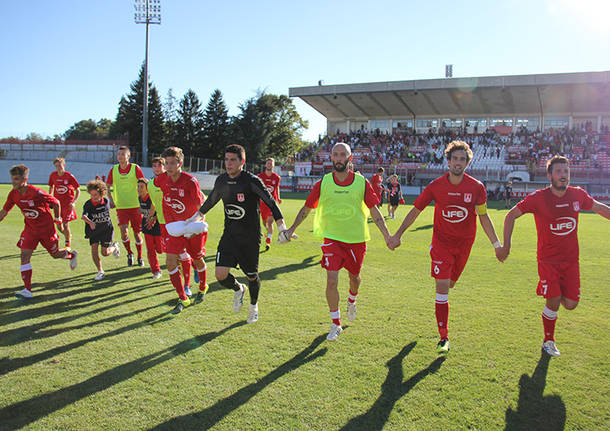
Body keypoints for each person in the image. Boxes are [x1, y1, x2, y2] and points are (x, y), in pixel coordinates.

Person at [388, 141, 503, 353]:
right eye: (454, 159)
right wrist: (397, 235)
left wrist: (497, 244)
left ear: (467, 163)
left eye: (462, 159)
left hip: (465, 245)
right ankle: (443, 337)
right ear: (448, 161)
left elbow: (484, 216)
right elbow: (415, 211)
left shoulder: (477, 188)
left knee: (449, 284)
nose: (458, 163)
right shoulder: (435, 186)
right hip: (441, 244)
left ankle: (443, 318)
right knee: (442, 288)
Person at [497, 156, 610, 357]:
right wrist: (507, 244)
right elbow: (510, 215)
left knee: (571, 304)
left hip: (571, 262)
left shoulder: (577, 195)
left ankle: (549, 295)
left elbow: (599, 208)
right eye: (558, 172)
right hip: (548, 260)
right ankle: (548, 340)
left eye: (566, 172)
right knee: (554, 300)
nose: (563, 175)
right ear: (550, 175)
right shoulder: (539, 198)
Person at [283, 143, 393, 341]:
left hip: (356, 240)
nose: (339, 158)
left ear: (350, 159)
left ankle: (352, 299)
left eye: (343, 155)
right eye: (336, 154)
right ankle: (336, 323)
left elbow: (375, 211)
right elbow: (307, 208)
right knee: (332, 280)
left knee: (355, 278)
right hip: (331, 238)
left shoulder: (361, 183)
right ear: (331, 158)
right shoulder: (324, 182)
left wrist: (387, 235)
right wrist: (291, 230)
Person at [188, 144, 286, 324]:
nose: (228, 163)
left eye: (233, 160)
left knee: (251, 275)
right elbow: (211, 200)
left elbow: (271, 202)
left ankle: (253, 306)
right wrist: (195, 217)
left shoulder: (251, 181)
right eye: (226, 159)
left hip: (250, 238)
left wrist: (282, 227)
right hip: (230, 235)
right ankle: (238, 289)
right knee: (220, 275)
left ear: (242, 162)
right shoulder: (221, 180)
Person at [0, 164, 78, 298]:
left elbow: (56, 202)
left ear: (25, 179)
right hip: (30, 230)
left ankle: (71, 255)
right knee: (24, 256)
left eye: (16, 179)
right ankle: (27, 290)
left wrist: (58, 218)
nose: (13, 182)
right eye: (12, 179)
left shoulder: (36, 192)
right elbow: (4, 211)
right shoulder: (13, 194)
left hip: (46, 230)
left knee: (54, 254)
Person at [154, 146, 209, 314]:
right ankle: (183, 298)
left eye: (173, 163)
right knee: (170, 261)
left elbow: (201, 208)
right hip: (174, 228)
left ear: (180, 163)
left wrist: (195, 225)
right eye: (167, 163)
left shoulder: (190, 182)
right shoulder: (162, 179)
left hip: (192, 228)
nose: (169, 167)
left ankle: (203, 286)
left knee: (196, 259)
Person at [148, 157, 195, 289]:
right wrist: (152, 217)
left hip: (178, 221)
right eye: (154, 166)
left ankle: (187, 285)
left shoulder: (173, 180)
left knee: (183, 253)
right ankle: (186, 278)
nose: (157, 168)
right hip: (163, 224)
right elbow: (154, 203)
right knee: (173, 256)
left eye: (160, 165)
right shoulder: (150, 184)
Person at [106, 146, 145, 267]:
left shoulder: (135, 168)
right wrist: (111, 200)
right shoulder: (114, 169)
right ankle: (129, 253)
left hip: (136, 206)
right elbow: (107, 186)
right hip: (121, 207)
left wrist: (144, 200)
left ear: (128, 156)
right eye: (118, 154)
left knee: (137, 234)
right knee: (123, 232)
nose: (120, 156)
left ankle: (139, 256)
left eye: (123, 154)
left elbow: (143, 184)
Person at [82, 180, 120, 280]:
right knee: (94, 251)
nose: (93, 197)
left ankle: (115, 247)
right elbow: (83, 217)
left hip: (106, 230)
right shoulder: (88, 204)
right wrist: (90, 223)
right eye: (91, 194)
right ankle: (100, 271)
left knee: (105, 253)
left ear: (101, 193)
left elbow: (112, 206)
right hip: (93, 231)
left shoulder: (106, 201)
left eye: (95, 194)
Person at [48, 157, 80, 249]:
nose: (58, 168)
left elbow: (78, 190)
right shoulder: (53, 175)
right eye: (56, 166)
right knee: (59, 226)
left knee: (65, 225)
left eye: (60, 165)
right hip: (57, 205)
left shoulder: (69, 176)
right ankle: (68, 236)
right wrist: (50, 196)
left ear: (64, 165)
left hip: (68, 205)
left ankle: (67, 245)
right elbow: (51, 186)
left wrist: (74, 202)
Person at [137, 178, 163, 279]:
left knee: (160, 249)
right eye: (138, 187)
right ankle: (156, 270)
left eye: (142, 187)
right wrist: (141, 212)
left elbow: (158, 211)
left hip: (157, 225)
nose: (139, 189)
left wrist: (153, 218)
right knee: (150, 249)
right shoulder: (140, 198)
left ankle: (178, 261)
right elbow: (144, 211)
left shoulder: (152, 198)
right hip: (146, 226)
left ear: (147, 188)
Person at [257, 157, 282, 250]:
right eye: (268, 163)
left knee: (270, 222)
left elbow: (276, 188)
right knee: (264, 222)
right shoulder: (260, 177)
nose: (269, 165)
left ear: (273, 166)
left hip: (272, 203)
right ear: (265, 165)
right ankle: (268, 232)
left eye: (271, 164)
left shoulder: (276, 177)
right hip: (262, 203)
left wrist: (278, 198)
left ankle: (269, 240)